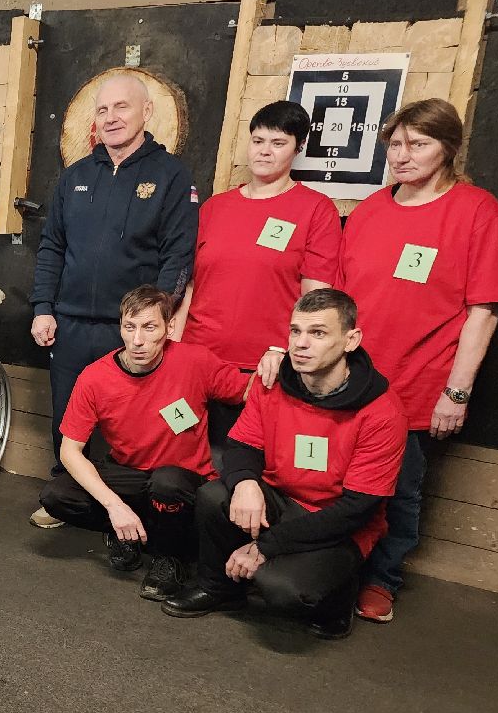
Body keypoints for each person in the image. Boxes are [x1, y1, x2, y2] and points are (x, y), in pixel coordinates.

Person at [333, 99, 498, 624]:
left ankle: (381, 581)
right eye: (395, 144)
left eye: (418, 144)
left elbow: (483, 313)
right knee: (338, 484)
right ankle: (335, 568)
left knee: (399, 492)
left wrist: (456, 393)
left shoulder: (479, 212)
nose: (403, 155)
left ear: (448, 149)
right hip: (353, 379)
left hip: (417, 386)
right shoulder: (370, 210)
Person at [164, 289, 408, 639]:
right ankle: (219, 588)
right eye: (296, 331)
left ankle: (337, 602)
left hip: (336, 521)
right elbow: (241, 444)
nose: (301, 344)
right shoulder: (273, 383)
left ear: (351, 340)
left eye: (318, 333)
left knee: (282, 588)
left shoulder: (382, 412)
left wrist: (266, 546)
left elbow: (358, 509)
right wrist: (246, 483)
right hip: (281, 499)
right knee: (214, 495)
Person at [28, 73, 198, 527]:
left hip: (129, 333)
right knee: (69, 420)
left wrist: (155, 319)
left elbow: (178, 256)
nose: (111, 118)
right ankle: (67, 500)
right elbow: (52, 248)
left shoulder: (171, 176)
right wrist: (43, 307)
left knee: (129, 430)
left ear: (147, 112)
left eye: (121, 107)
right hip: (72, 326)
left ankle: (130, 511)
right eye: (102, 110)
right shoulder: (76, 177)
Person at [39, 286, 251, 601]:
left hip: (183, 479)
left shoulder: (195, 361)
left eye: (149, 327)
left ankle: (170, 558)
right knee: (56, 495)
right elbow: (70, 451)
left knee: (167, 482)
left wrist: (276, 362)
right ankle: (126, 531)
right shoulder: (95, 377)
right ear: (121, 328)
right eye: (130, 327)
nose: (138, 340)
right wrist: (114, 506)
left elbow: (248, 392)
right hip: (130, 474)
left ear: (168, 328)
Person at [170, 101, 340, 455]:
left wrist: (286, 350)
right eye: (258, 140)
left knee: (241, 468)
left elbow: (317, 298)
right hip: (199, 360)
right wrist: (176, 347)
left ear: (298, 148)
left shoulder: (315, 209)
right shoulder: (216, 207)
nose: (265, 151)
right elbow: (190, 283)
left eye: (278, 143)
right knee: (183, 459)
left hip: (264, 365)